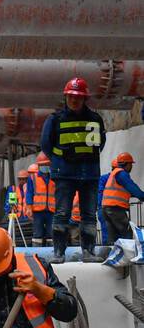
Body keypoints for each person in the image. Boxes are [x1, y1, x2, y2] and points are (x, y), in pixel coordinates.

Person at [39, 77, 105, 261]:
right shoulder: (55, 120)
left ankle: (88, 252)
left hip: (88, 174)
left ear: (84, 99)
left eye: (78, 97)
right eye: (70, 97)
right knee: (62, 213)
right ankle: (58, 253)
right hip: (66, 174)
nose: (74, 100)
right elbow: (45, 144)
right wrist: (61, 160)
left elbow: (100, 142)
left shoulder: (95, 119)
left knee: (89, 215)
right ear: (66, 97)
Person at [101, 152, 144, 242]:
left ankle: (112, 254)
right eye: (130, 164)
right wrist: (141, 196)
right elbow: (132, 187)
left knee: (113, 236)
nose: (131, 166)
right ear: (126, 164)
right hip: (115, 209)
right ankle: (128, 255)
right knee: (126, 232)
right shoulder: (121, 174)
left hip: (106, 208)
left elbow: (122, 191)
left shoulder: (114, 174)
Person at [28, 154, 55, 248]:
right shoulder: (33, 178)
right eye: (43, 165)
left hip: (51, 210)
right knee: (37, 234)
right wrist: (29, 208)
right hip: (38, 211)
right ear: (39, 166)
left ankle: (52, 251)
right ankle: (37, 251)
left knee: (51, 233)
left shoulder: (54, 177)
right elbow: (29, 193)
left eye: (47, 164)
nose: (45, 167)